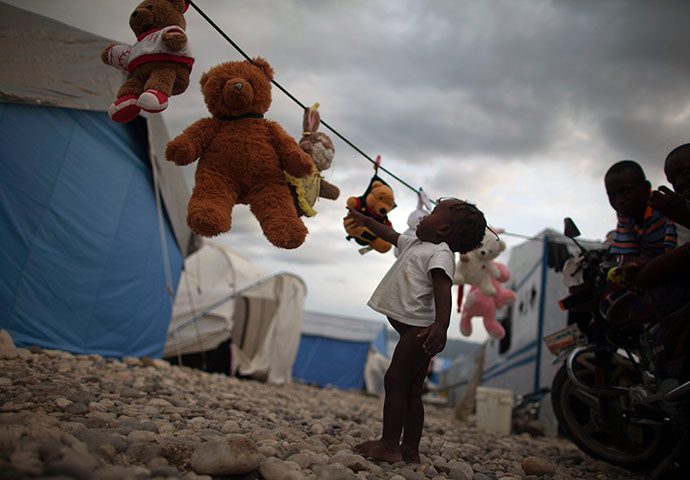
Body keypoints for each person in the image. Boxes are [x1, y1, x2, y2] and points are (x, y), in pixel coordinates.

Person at [343, 197, 486, 464]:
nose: (423, 217)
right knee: (411, 390)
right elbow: (390, 234)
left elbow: (444, 289)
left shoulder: (440, 253)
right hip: (415, 331)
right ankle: (410, 449)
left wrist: (440, 326)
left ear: (443, 230)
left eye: (432, 212)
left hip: (419, 332)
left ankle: (389, 444)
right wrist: (366, 221)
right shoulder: (417, 244)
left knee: (394, 381)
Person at [608, 146, 690, 378]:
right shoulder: (627, 217)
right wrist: (633, 268)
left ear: (646, 188)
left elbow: (675, 259)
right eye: (674, 179)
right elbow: (629, 257)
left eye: (685, 172)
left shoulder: (667, 208)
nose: (619, 200)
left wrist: (644, 269)